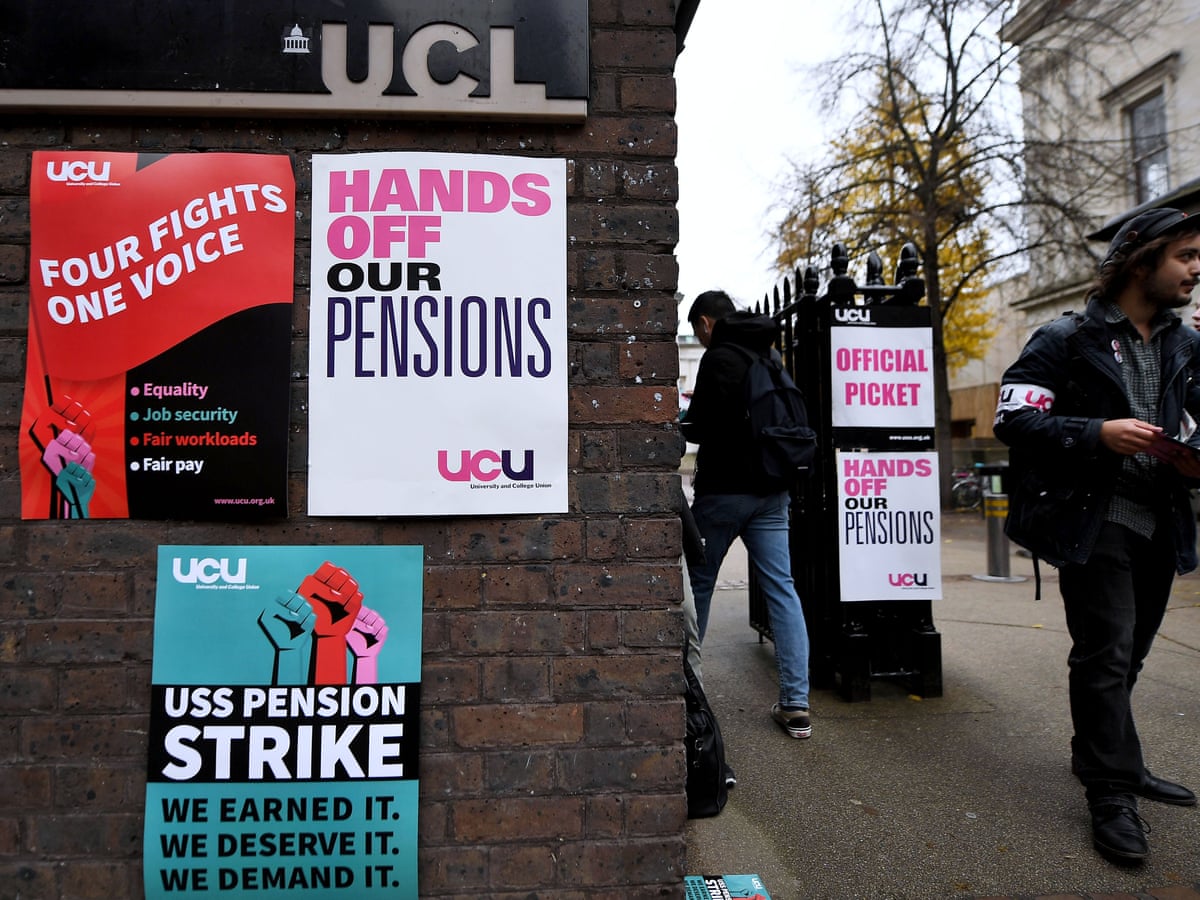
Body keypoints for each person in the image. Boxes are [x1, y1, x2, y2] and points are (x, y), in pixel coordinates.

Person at [993, 207, 1200, 865]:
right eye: (1186, 256)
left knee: (1129, 654)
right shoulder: (1065, 337)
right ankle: (1112, 796)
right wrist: (1094, 433)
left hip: (1162, 519)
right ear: (1142, 261)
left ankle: (1105, 758)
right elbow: (1013, 419)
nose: (1197, 269)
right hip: (1094, 516)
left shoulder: (1187, 343)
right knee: (1105, 656)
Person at [680, 290, 812, 739]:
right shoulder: (769, 355)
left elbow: (699, 424)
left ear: (705, 323)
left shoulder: (719, 360)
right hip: (772, 491)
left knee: (699, 584)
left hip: (723, 494)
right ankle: (796, 703)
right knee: (782, 590)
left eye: (697, 330)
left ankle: (687, 695)